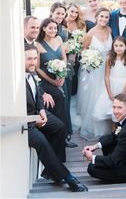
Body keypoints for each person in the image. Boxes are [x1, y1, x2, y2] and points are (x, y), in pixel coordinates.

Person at [24, 45, 88, 192]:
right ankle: (68, 177)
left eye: (35, 58)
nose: (33, 62)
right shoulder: (17, 79)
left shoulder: (32, 74)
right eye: (29, 59)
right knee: (43, 143)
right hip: (26, 124)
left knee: (59, 126)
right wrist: (34, 119)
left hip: (37, 113)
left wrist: (41, 110)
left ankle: (51, 171)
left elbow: (37, 95)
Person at [83, 94, 126, 183]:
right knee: (104, 142)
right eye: (114, 107)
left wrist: (92, 157)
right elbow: (114, 136)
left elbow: (113, 160)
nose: (115, 111)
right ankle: (109, 164)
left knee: (92, 168)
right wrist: (94, 146)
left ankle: (111, 167)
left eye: (119, 108)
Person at [35, 18, 75, 147]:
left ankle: (64, 138)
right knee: (56, 101)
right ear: (44, 28)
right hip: (46, 80)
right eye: (50, 28)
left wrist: (62, 74)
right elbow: (37, 68)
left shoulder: (58, 39)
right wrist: (51, 80)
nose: (53, 30)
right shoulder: (38, 44)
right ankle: (53, 137)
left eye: (55, 28)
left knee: (63, 104)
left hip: (60, 77)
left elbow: (63, 58)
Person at [77, 7, 112, 141]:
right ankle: (93, 127)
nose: (104, 19)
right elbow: (83, 51)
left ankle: (106, 123)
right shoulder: (90, 33)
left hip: (108, 67)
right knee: (94, 96)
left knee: (105, 95)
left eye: (106, 17)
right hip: (94, 69)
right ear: (96, 17)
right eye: (101, 16)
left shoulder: (109, 30)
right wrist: (89, 61)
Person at [93, 36, 126, 126]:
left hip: (125, 88)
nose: (118, 48)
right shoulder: (109, 58)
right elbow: (106, 77)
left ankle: (123, 131)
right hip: (111, 87)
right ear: (113, 47)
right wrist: (110, 92)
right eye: (116, 45)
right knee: (112, 112)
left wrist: (122, 94)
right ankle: (113, 132)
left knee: (124, 111)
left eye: (121, 45)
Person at [50, 2, 76, 147]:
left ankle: (65, 134)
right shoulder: (47, 27)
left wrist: (66, 66)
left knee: (65, 102)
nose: (60, 16)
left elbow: (69, 52)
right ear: (52, 12)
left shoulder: (65, 31)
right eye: (57, 13)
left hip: (64, 70)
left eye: (62, 14)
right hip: (49, 70)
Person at [65, 2, 86, 95]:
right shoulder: (62, 23)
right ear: (67, 10)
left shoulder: (80, 24)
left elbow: (83, 41)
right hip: (63, 54)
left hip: (76, 55)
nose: (74, 14)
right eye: (72, 11)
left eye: (76, 12)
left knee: (74, 78)